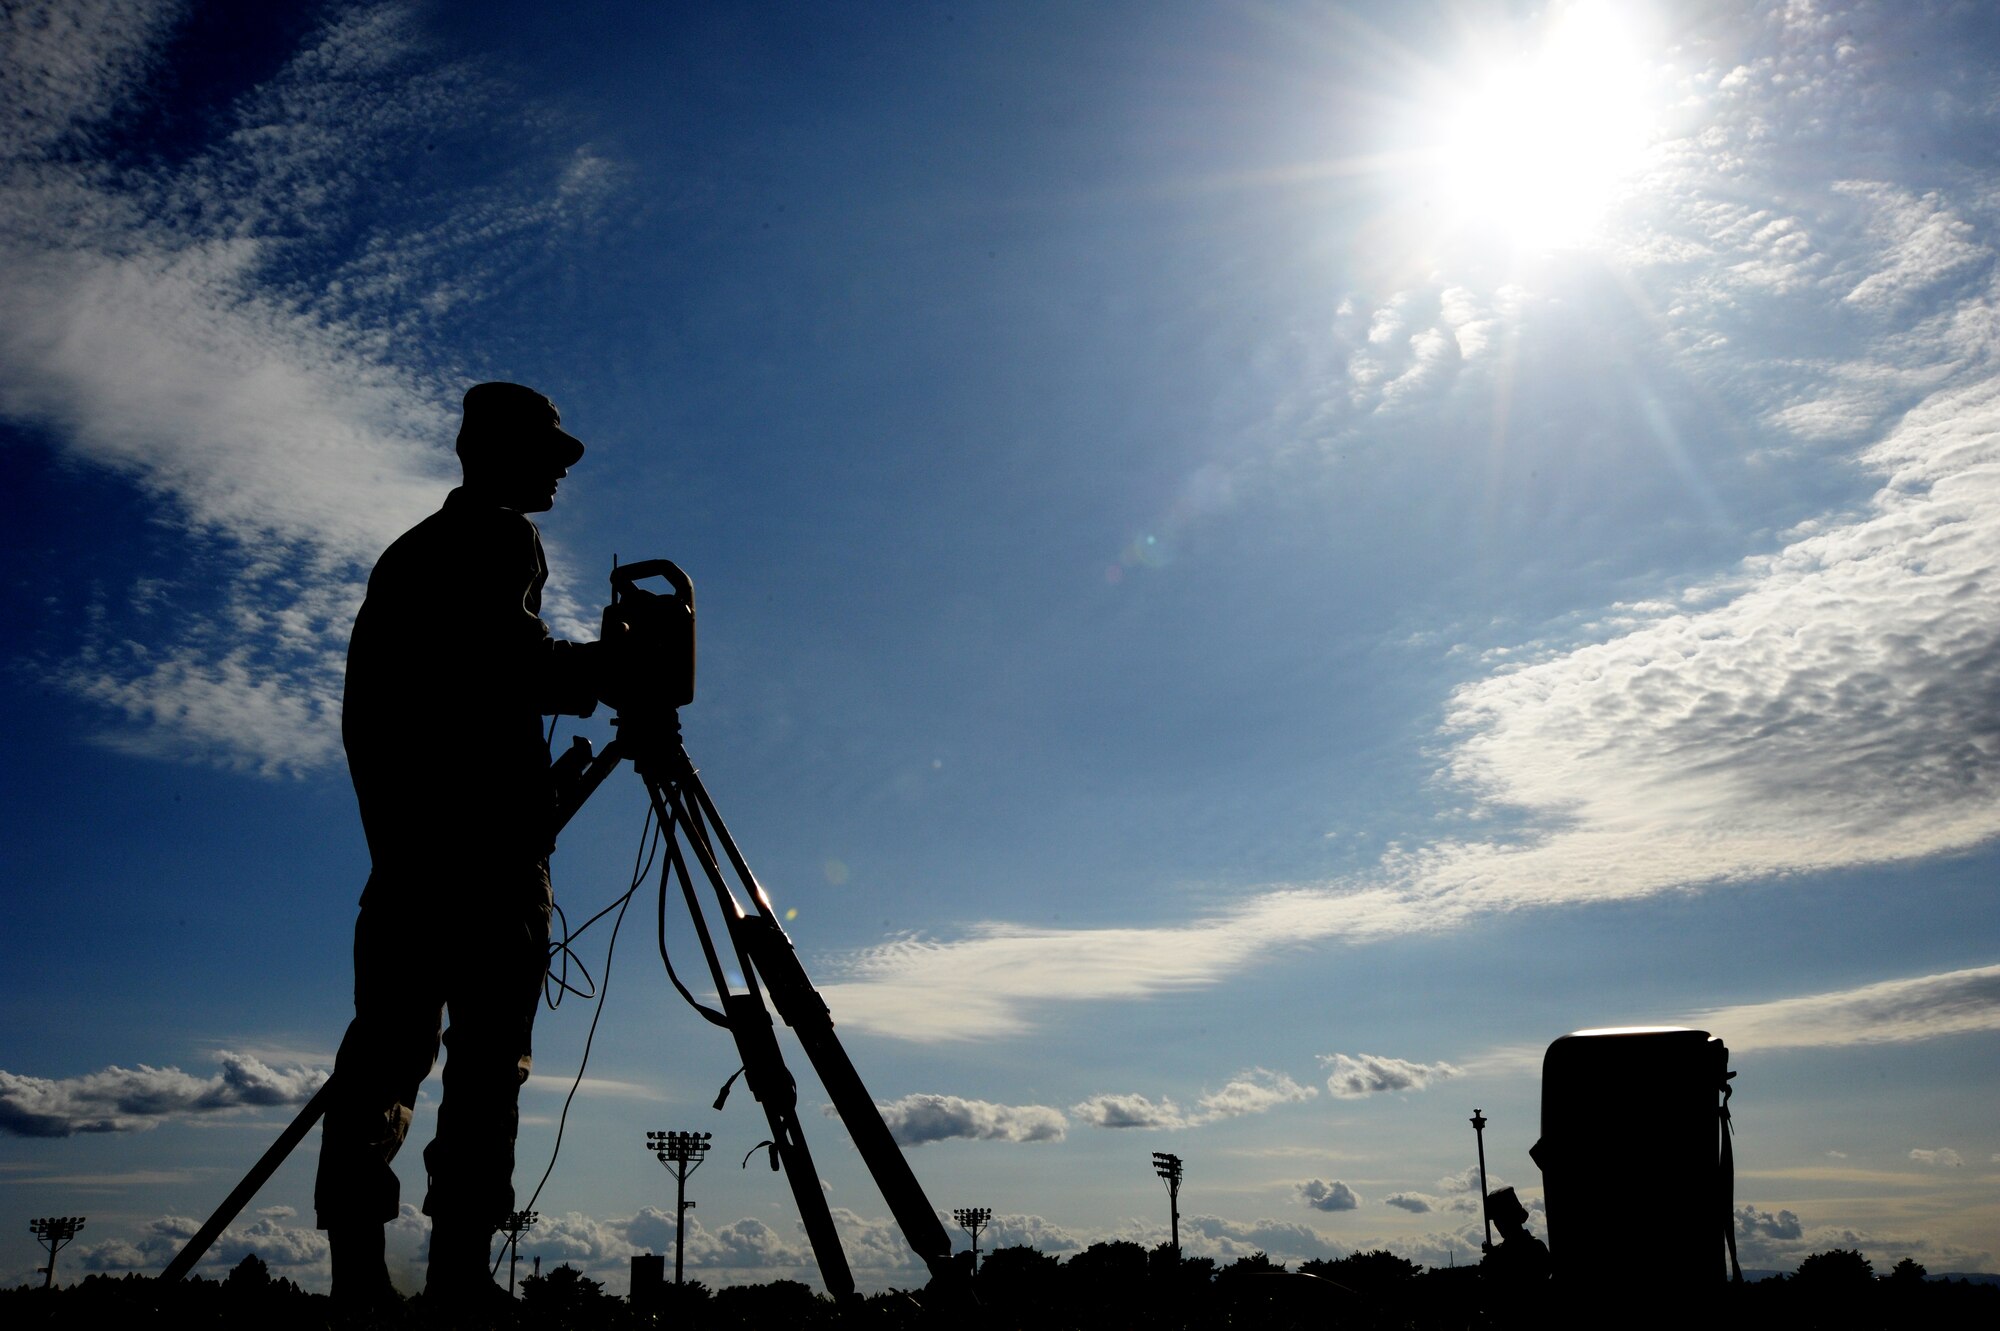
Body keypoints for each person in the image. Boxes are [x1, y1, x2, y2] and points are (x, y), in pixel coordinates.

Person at [315, 382, 603, 1305]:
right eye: (548, 452)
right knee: (484, 1068)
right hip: (481, 871)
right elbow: (508, 659)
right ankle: (459, 1276)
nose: (562, 468)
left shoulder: (410, 555)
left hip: (407, 862)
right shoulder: (497, 536)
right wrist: (609, 669)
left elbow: (429, 710)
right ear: (496, 452)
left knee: (385, 1057)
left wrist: (524, 793)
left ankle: (361, 1277)